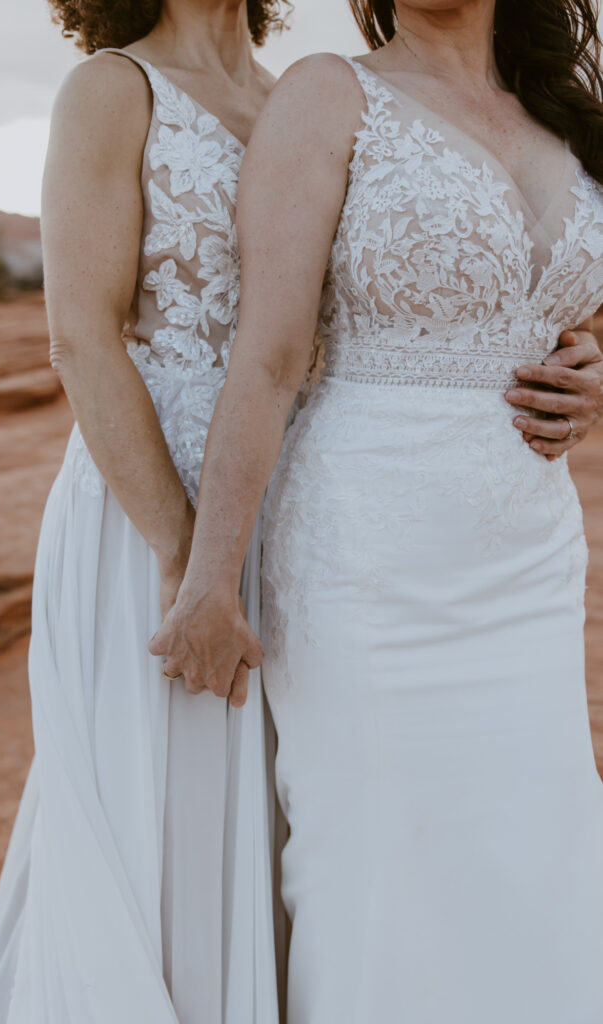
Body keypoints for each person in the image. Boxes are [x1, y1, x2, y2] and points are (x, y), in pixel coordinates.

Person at [151, 1, 603, 1021]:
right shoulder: (328, 94)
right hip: (368, 555)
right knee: (384, 858)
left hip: (526, 559)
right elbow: (265, 360)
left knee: (534, 850)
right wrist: (210, 579)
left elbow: (574, 308)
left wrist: (591, 371)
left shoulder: (568, 115)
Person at [0, 1, 286, 1021]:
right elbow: (81, 335)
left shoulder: (296, 96)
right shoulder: (111, 90)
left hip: (287, 500)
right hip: (148, 508)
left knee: (271, 793)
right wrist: (182, 548)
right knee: (165, 798)